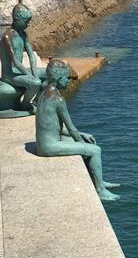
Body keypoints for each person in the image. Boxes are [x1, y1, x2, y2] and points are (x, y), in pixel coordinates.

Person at [34, 59, 120, 201]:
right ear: (59, 78)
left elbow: (54, 127)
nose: (69, 81)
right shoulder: (58, 100)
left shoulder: (44, 93)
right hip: (48, 147)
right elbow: (71, 129)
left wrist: (82, 134)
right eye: (67, 78)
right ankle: (100, 190)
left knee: (88, 142)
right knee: (95, 150)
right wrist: (82, 144)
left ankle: (98, 180)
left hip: (43, 143)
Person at [0, 3, 45, 109]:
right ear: (16, 20)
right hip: (10, 75)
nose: (28, 24)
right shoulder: (7, 37)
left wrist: (34, 73)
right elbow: (15, 62)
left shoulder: (23, 34)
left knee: (49, 74)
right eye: (26, 21)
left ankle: (36, 101)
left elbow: (31, 55)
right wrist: (30, 75)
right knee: (36, 83)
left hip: (20, 72)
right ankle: (25, 104)